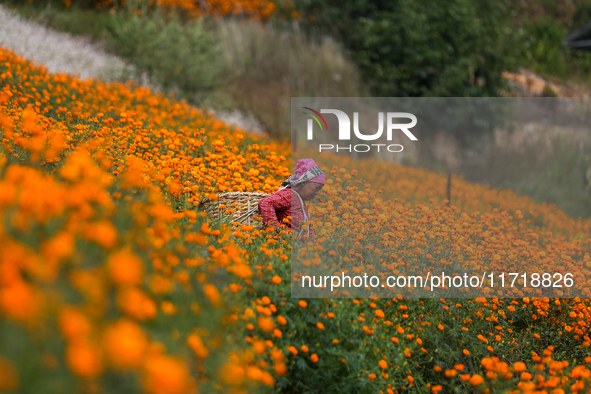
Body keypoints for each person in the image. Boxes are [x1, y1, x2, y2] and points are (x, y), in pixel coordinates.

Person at [258, 159, 325, 240]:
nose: (317, 193)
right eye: (316, 188)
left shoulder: (299, 199)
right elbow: (266, 203)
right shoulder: (290, 195)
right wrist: (275, 231)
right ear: (303, 182)